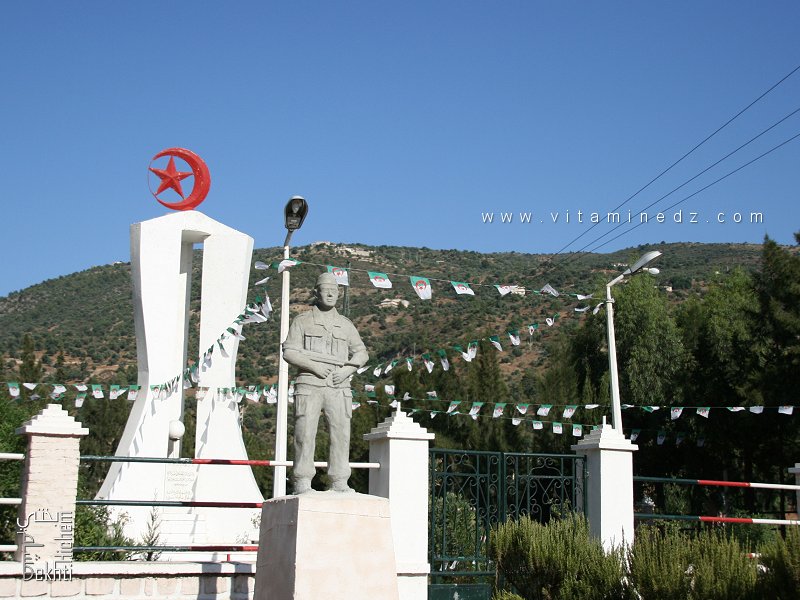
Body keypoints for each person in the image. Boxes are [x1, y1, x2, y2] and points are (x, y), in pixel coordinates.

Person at [282, 272, 368, 494]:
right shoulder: (302, 321)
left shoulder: (346, 325)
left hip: (339, 386)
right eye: (325, 290)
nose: (330, 294)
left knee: (341, 434)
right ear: (316, 292)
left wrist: (347, 370)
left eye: (334, 290)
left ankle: (339, 480)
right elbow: (289, 351)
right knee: (304, 433)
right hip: (309, 384)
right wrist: (314, 366)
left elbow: (362, 353)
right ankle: (302, 480)